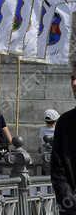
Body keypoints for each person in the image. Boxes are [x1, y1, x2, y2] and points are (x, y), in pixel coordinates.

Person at [51, 73, 76, 215]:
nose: (74, 83)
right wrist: (69, 200)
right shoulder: (65, 122)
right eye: (72, 78)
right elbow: (58, 169)